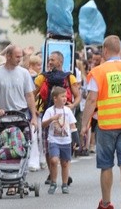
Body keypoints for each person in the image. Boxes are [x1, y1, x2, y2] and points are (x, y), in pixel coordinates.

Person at [80, 35, 121, 209]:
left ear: (105, 50)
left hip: (106, 124)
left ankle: (106, 203)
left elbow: (91, 100)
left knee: (106, 165)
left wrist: (84, 125)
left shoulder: (99, 71)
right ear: (120, 50)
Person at [0, 45, 37, 182]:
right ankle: (0, 172)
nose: (20, 59)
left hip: (20, 114)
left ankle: (21, 174)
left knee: (23, 143)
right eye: (17, 56)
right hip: (4, 116)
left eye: (21, 56)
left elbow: (30, 95)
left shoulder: (24, 73)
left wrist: (34, 117)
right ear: (8, 56)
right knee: (1, 143)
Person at [34, 51, 80, 184]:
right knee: (48, 145)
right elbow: (32, 93)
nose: (50, 62)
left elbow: (78, 96)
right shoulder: (42, 77)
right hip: (47, 115)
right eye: (49, 60)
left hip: (64, 116)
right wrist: (34, 109)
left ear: (60, 62)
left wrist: (71, 107)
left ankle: (66, 173)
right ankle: (51, 173)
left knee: (65, 144)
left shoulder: (69, 77)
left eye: (52, 60)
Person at [42, 86, 76, 195]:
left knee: (65, 163)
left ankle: (65, 184)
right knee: (54, 161)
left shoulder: (68, 111)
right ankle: (53, 182)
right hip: (54, 140)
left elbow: (72, 125)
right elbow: (43, 124)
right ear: (55, 98)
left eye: (65, 96)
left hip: (66, 140)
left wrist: (76, 139)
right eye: (62, 96)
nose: (65, 98)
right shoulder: (50, 111)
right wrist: (52, 119)